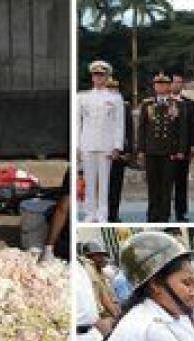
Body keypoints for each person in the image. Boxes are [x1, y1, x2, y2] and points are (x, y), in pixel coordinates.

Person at [78, 60, 124, 223]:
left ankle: (102, 213)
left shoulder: (115, 98)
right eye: (96, 75)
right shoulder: (82, 98)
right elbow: (78, 122)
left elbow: (119, 123)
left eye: (102, 75)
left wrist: (117, 146)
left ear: (107, 77)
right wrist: (77, 146)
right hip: (88, 143)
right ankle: (90, 213)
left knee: (104, 182)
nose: (98, 78)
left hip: (106, 144)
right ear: (92, 77)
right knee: (89, 180)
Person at [138, 73, 188, 222]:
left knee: (167, 185)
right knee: (152, 184)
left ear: (168, 86)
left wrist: (180, 149)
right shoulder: (147, 104)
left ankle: (164, 214)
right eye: (157, 84)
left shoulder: (177, 104)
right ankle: (152, 214)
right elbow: (142, 128)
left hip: (169, 151)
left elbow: (182, 129)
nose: (160, 87)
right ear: (154, 86)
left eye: (164, 84)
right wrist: (141, 149)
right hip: (152, 150)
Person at [170, 74, 194, 222]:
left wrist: (193, 146)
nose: (177, 85)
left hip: (183, 148)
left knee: (181, 182)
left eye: (180, 82)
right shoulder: (160, 102)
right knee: (165, 183)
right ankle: (163, 212)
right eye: (175, 82)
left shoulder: (189, 104)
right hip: (165, 150)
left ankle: (181, 212)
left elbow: (193, 126)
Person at [107, 78, 135, 223]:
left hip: (119, 153)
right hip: (102, 153)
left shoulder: (125, 106)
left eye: (115, 89)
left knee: (116, 186)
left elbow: (129, 131)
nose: (112, 91)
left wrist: (129, 152)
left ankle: (113, 214)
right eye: (109, 88)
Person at [82, 241, 120, 318]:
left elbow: (110, 296)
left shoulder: (99, 271)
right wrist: (117, 317)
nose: (104, 259)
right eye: (100, 256)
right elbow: (103, 299)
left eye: (104, 256)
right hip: (100, 316)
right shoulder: (90, 270)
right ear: (89, 257)